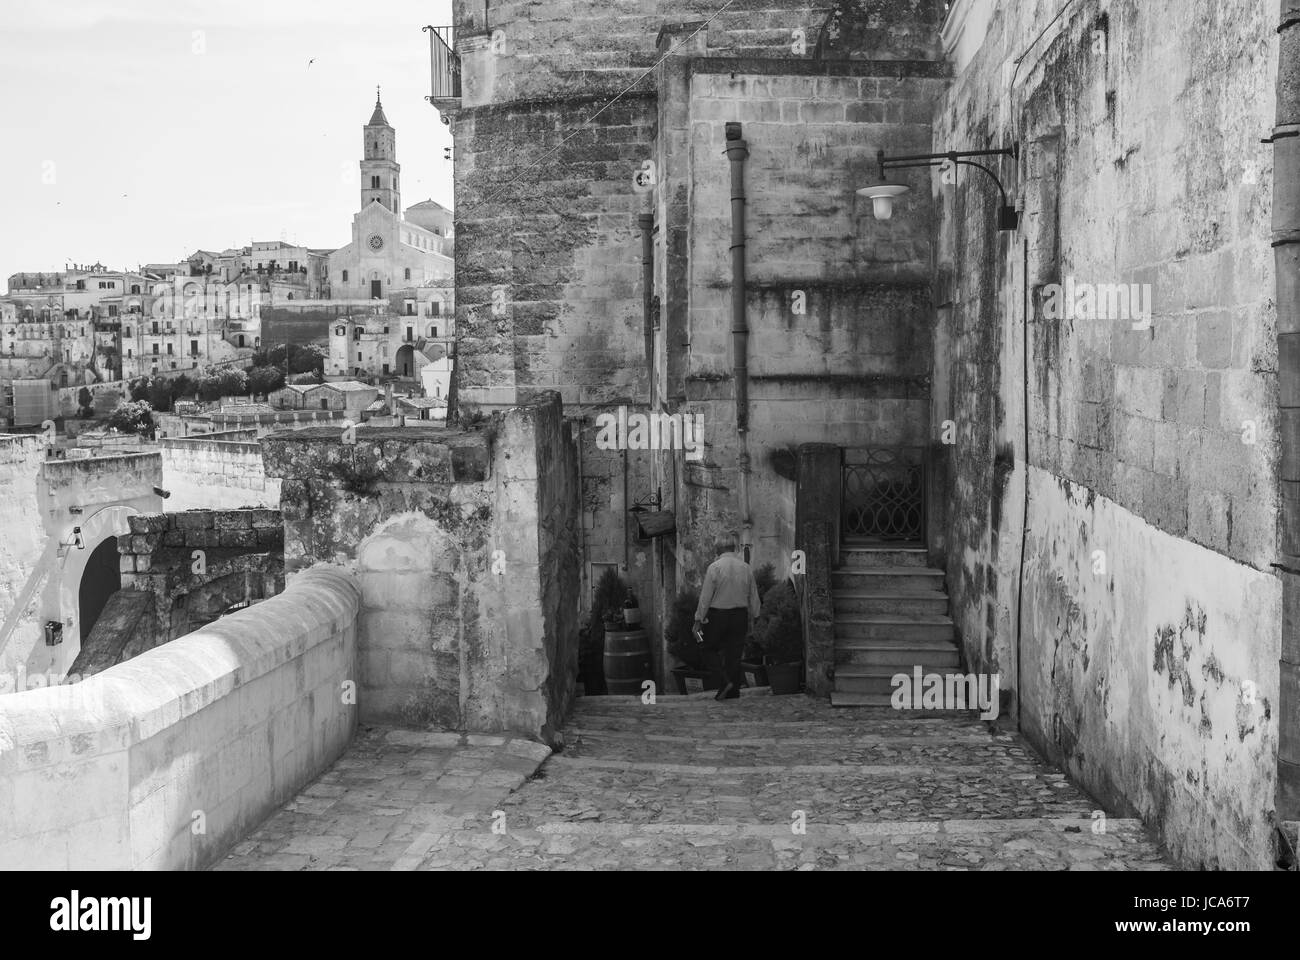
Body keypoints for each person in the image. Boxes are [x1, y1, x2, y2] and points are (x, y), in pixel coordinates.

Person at [694, 535, 761, 701]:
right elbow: (754, 595)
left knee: (706, 647)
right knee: (734, 654)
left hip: (718, 616)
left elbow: (705, 598)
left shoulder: (714, 568)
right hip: (740, 616)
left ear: (718, 549)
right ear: (734, 548)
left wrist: (698, 620)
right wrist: (756, 616)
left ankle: (724, 681)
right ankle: (733, 691)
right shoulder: (745, 568)